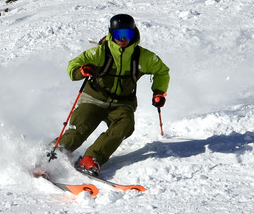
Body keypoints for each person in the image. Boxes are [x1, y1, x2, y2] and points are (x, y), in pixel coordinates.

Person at [57, 14, 170, 177]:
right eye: (118, 34)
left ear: (134, 33)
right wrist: (81, 71)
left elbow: (162, 71)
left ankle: (91, 158)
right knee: (81, 126)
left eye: (128, 34)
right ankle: (51, 155)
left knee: (125, 125)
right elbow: (73, 65)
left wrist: (159, 92)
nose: (123, 39)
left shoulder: (142, 56)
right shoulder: (100, 53)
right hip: (93, 99)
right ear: (111, 33)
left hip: (122, 103)